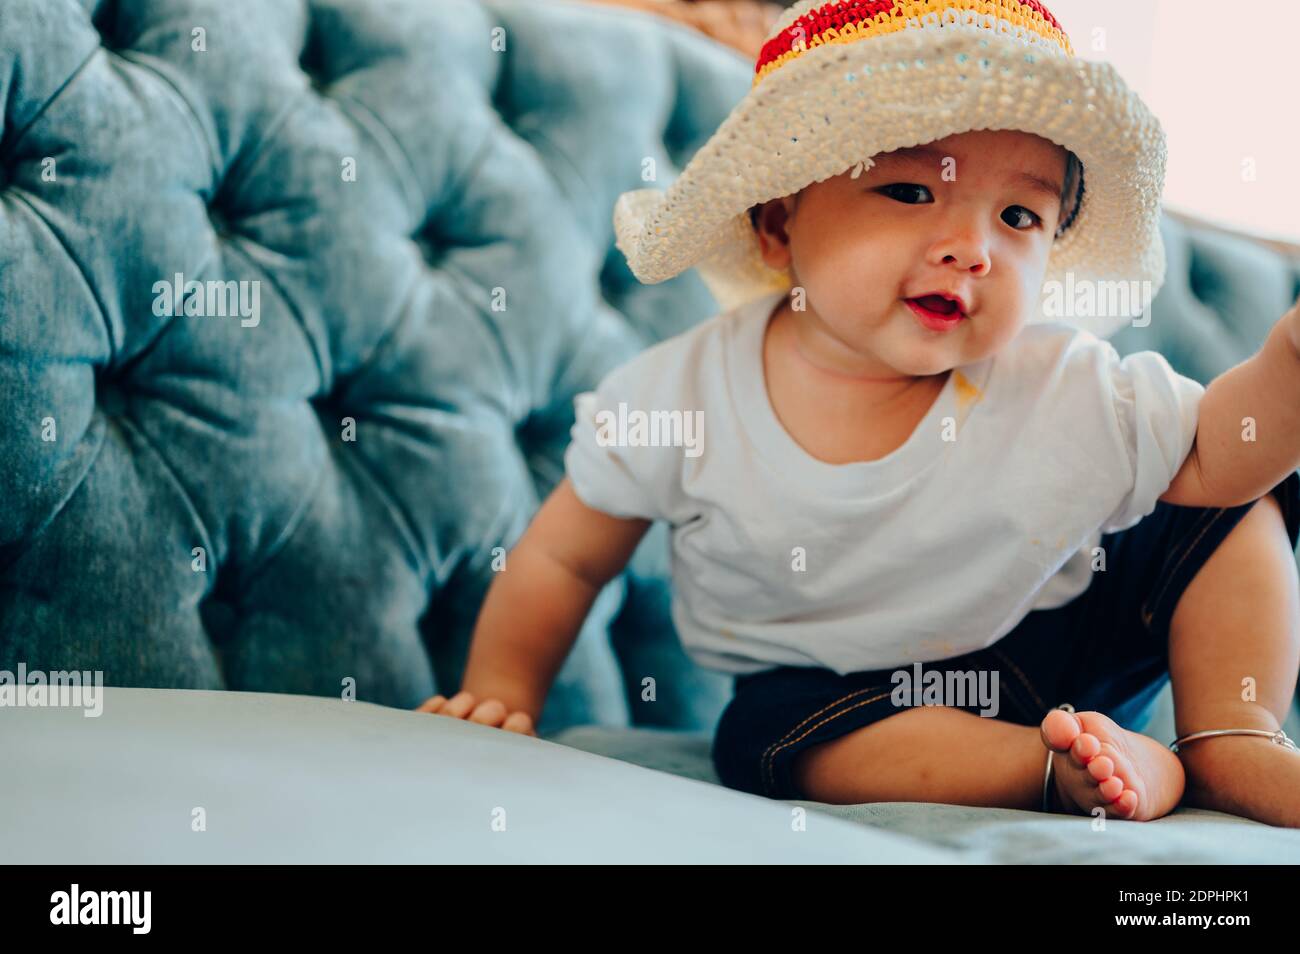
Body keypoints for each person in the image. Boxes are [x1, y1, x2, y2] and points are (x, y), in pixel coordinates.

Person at [419, 0, 1300, 826]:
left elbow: (1217, 456)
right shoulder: (680, 396)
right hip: (851, 691)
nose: (973, 248)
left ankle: (1232, 733)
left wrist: (1286, 365)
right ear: (779, 221)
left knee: (1224, 508)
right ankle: (1053, 767)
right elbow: (565, 557)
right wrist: (502, 690)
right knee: (764, 739)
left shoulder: (1059, 380)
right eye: (912, 192)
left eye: (1020, 215)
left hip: (1061, 634)